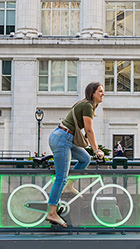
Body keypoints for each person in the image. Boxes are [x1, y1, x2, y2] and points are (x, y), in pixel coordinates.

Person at [44, 82, 105, 227]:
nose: (103, 94)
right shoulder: (87, 106)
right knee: (61, 177)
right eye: (100, 91)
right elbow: (89, 131)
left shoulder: (87, 105)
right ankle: (52, 212)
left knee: (85, 159)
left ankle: (68, 186)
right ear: (93, 93)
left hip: (65, 137)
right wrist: (97, 150)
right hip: (62, 139)